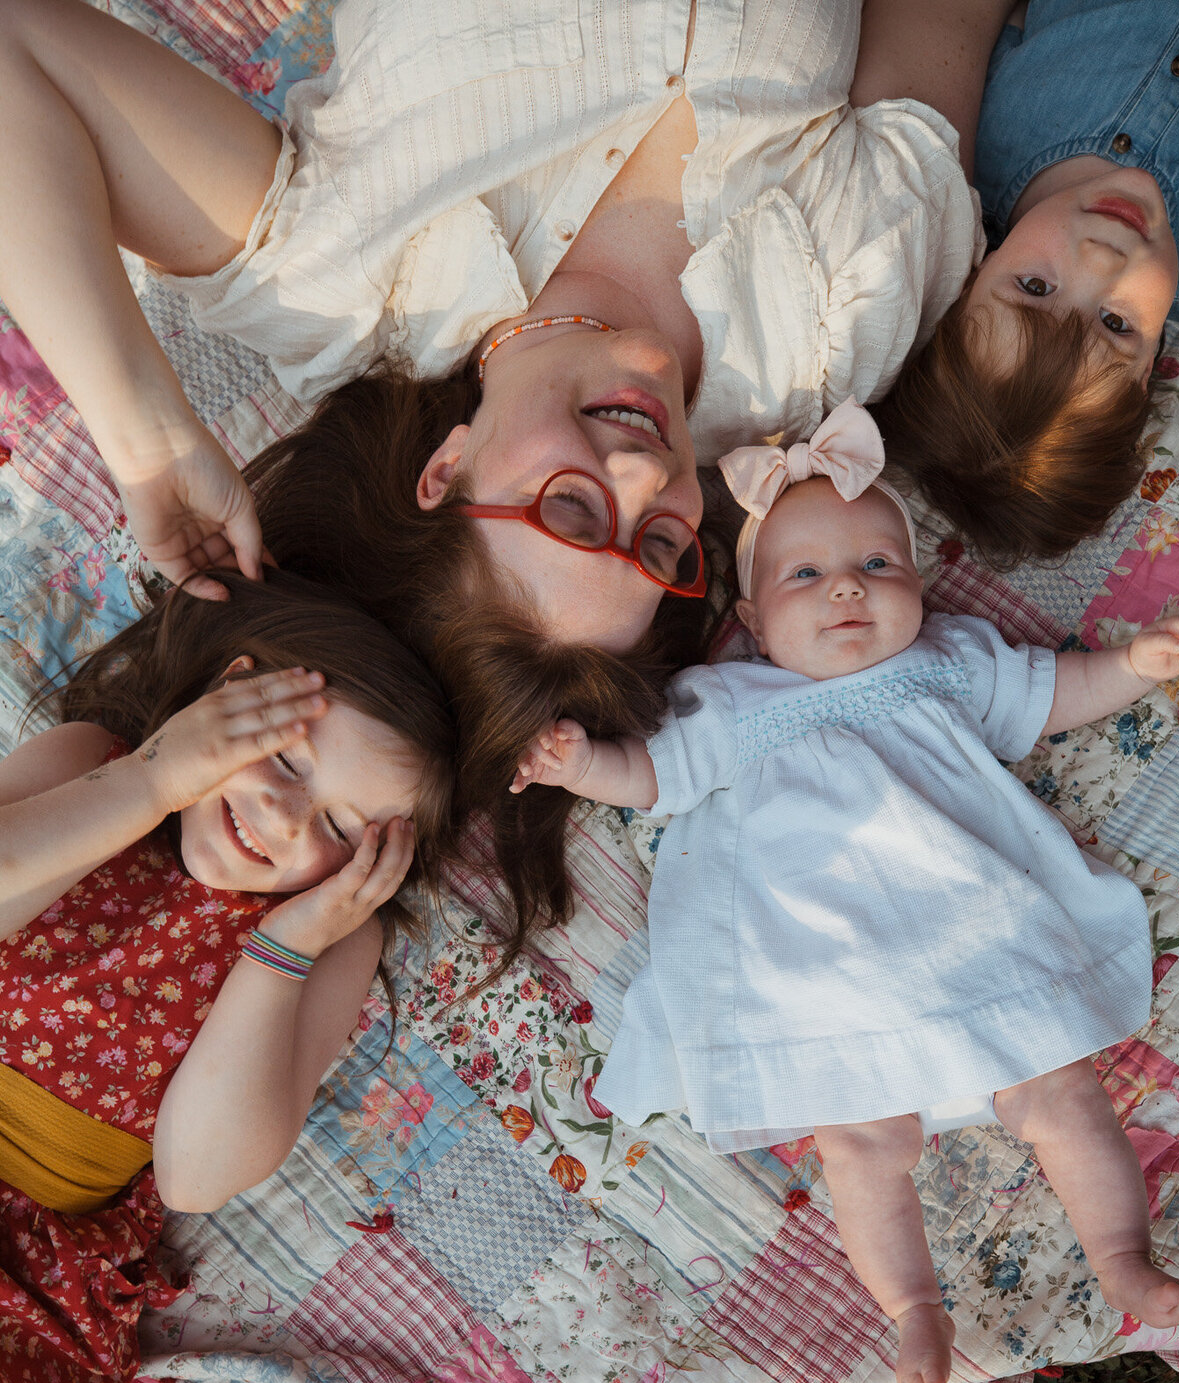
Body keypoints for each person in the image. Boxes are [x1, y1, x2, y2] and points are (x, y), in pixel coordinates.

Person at [0, 0, 1013, 937]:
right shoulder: (834, 337)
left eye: (571, 512)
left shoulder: (340, 284)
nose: (643, 478)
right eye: (661, 540)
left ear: (444, 471)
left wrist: (151, 442)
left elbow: (19, 52)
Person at [511, 400, 1179, 1383]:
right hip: (829, 974)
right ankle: (912, 1306)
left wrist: (1131, 669)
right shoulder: (733, 708)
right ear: (749, 620)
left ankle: (1121, 1254)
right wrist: (585, 765)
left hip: (976, 936)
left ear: (919, 589)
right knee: (860, 1144)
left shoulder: (946, 666)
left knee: (1062, 1090)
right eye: (805, 576)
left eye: (879, 567)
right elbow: (655, 776)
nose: (846, 587)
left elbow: (1049, 695)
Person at [0, 572, 455, 1383]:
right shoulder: (95, 767)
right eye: (283, 758)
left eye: (340, 831)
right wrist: (152, 783)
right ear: (228, 698)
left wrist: (283, 948)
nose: (289, 822)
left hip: (24, 1272)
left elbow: (194, 1176)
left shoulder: (322, 942)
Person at [869, 0, 1179, 564]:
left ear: (968, 281)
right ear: (1147, 377)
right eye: (1115, 325)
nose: (1100, 257)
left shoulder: (980, 130)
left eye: (1035, 288)